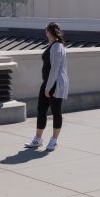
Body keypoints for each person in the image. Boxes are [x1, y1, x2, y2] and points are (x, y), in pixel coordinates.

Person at [25, 22, 69, 151]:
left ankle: (54, 140)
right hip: (48, 83)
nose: (46, 33)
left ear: (49, 32)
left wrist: (48, 87)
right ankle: (38, 139)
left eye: (46, 31)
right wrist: (47, 85)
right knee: (41, 110)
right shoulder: (52, 45)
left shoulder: (57, 47)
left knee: (56, 112)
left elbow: (55, 69)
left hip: (55, 84)